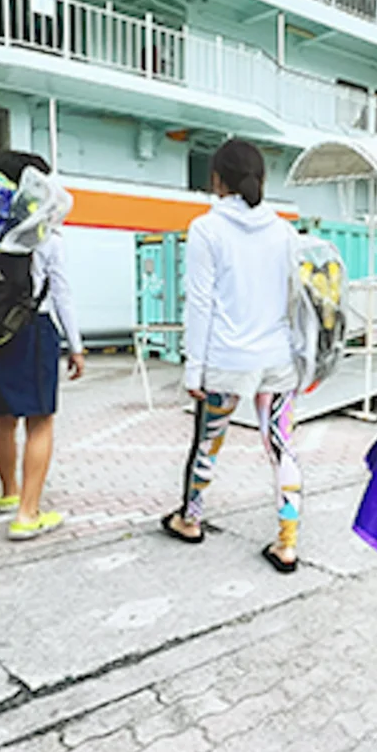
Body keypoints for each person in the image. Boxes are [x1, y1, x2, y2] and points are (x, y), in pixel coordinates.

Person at [160, 138, 305, 573]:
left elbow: (200, 303)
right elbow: (295, 301)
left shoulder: (206, 228)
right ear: (260, 180)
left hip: (225, 360)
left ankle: (191, 519)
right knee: (282, 448)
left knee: (207, 443)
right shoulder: (285, 232)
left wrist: (193, 368)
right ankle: (287, 543)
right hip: (278, 359)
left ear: (217, 181)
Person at [0, 150, 85, 540]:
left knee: (2, 416)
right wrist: (76, 345)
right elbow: (62, 294)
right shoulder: (45, 236)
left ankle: (9, 493)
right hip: (32, 330)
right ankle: (27, 514)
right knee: (40, 421)